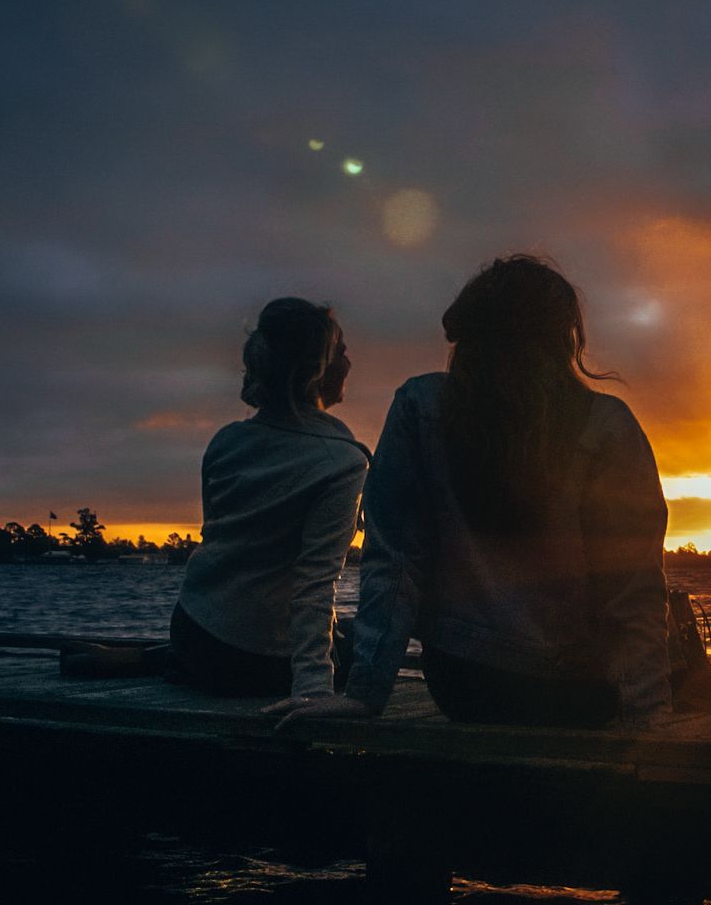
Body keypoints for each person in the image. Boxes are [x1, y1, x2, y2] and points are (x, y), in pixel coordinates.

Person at [280, 255, 672, 730]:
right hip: (576, 694)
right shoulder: (609, 424)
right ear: (563, 337)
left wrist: (366, 693)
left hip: (464, 686)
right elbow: (633, 588)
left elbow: (396, 562)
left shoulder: (419, 405)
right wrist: (647, 713)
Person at [167, 297, 369, 699]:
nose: (350, 363)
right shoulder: (342, 462)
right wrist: (312, 689)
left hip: (193, 630)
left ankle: (162, 660)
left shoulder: (225, 441)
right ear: (319, 369)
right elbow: (314, 585)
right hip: (255, 661)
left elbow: (220, 544)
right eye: (342, 352)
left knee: (345, 628)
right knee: (369, 639)